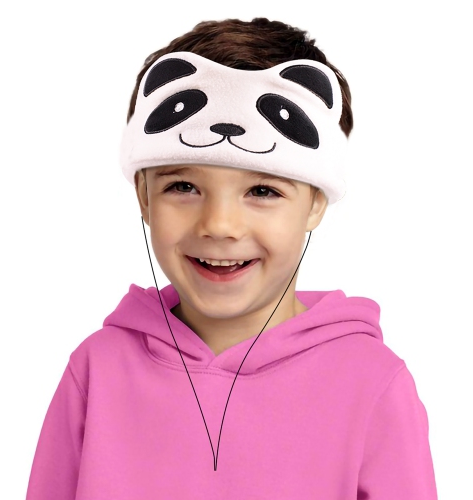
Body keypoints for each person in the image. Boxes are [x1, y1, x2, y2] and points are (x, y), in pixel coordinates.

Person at [26, 18, 438, 499]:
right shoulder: (97, 369)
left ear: (316, 202)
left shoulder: (372, 383)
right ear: (143, 195)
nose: (219, 225)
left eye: (262, 190)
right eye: (183, 186)